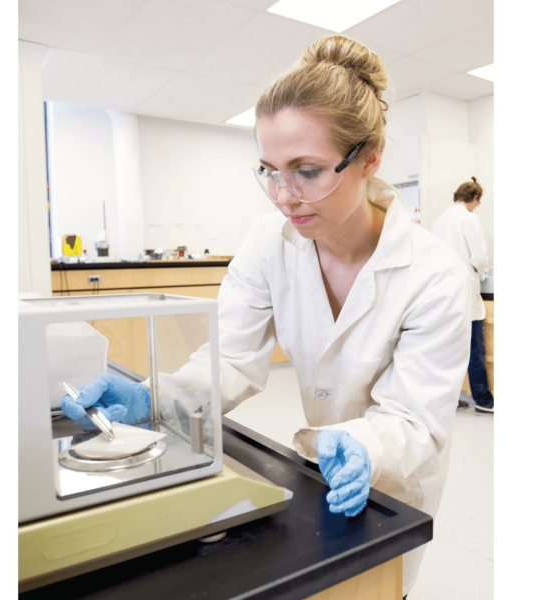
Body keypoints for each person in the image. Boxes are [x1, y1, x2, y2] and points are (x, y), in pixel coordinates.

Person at [62, 35, 471, 599]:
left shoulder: (436, 275)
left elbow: (413, 419)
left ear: (369, 158)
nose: (283, 196)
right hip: (318, 477)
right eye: (270, 171)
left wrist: (366, 448)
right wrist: (153, 395)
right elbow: (232, 356)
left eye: (306, 170)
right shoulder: (268, 241)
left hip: (392, 485)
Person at [432, 179, 495, 416]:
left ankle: (450, 400)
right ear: (475, 199)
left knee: (447, 350)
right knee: (474, 349)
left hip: (443, 294)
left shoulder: (440, 220)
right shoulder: (469, 218)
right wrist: (480, 274)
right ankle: (483, 400)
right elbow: (479, 257)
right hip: (465, 292)